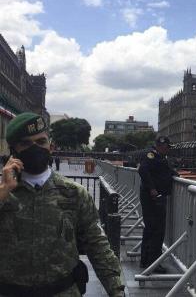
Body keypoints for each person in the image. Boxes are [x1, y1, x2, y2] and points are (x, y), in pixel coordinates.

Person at [0, 112, 125, 297]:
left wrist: (117, 291)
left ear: (50, 146)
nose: (35, 148)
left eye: (41, 142)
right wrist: (3, 192)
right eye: (26, 143)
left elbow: (97, 246)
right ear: (13, 150)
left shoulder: (74, 193)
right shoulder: (4, 193)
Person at [138, 136, 179, 273]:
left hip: (158, 198)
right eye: (167, 147)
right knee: (155, 230)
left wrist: (175, 174)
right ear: (161, 146)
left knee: (154, 229)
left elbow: (165, 171)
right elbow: (143, 170)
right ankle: (152, 263)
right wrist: (152, 189)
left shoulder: (161, 158)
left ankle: (147, 260)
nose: (168, 150)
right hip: (153, 198)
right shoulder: (151, 155)